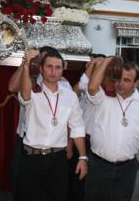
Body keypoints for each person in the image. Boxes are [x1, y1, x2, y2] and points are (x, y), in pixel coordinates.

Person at [85, 58, 139, 201]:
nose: (120, 84)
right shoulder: (104, 97)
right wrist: (107, 61)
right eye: (118, 79)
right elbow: (91, 88)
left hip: (127, 170)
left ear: (137, 83)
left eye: (126, 80)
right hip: (98, 167)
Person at [17, 49, 87, 201]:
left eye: (58, 67)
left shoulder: (70, 96)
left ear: (63, 69)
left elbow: (77, 127)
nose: (53, 71)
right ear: (41, 68)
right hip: (31, 158)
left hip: (58, 159)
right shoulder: (32, 90)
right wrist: (27, 65)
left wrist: (82, 157)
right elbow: (25, 96)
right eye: (49, 66)